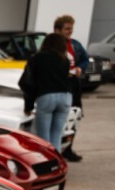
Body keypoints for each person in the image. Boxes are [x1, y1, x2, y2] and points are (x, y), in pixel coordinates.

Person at [21, 33, 73, 153]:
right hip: (66, 97)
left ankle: (46, 163)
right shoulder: (65, 60)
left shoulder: (37, 58)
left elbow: (27, 83)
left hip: (47, 96)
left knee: (43, 139)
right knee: (56, 137)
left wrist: (28, 106)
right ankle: (56, 161)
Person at [54, 14, 89, 161]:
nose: (70, 32)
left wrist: (80, 68)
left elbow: (85, 59)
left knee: (74, 117)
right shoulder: (52, 46)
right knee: (59, 119)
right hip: (59, 87)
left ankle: (68, 149)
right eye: (67, 29)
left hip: (74, 86)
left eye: (71, 28)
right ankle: (54, 150)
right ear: (57, 30)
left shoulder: (75, 44)